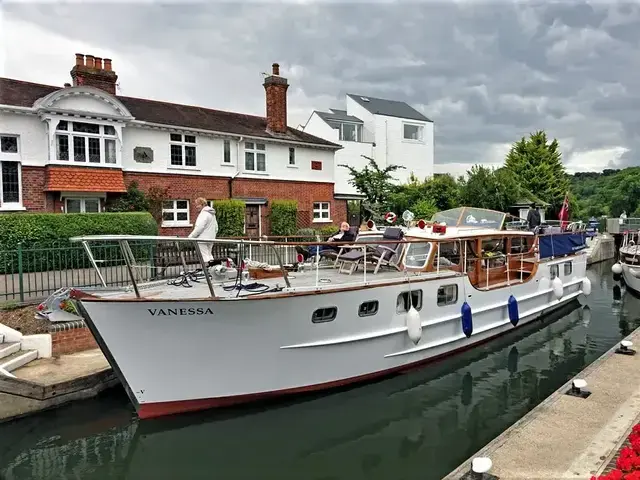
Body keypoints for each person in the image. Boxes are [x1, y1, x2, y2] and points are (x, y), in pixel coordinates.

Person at [189, 197, 218, 264]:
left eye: (197, 205)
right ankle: (213, 271)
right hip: (211, 239)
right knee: (209, 255)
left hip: (202, 239)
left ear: (203, 204)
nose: (196, 207)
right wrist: (212, 236)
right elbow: (216, 228)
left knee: (204, 256)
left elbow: (199, 227)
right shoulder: (212, 214)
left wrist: (191, 237)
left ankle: (206, 271)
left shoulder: (203, 214)